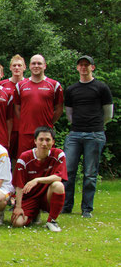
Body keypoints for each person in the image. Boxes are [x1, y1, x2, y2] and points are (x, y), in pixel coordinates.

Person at [62, 55, 113, 218]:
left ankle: (86, 209)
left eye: (87, 65)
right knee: (68, 171)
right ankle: (66, 206)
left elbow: (108, 114)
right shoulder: (71, 90)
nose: (83, 68)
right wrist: (78, 125)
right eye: (81, 65)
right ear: (77, 68)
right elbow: (68, 113)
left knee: (90, 173)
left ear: (93, 67)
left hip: (95, 134)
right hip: (75, 134)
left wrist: (95, 125)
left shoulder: (101, 87)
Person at [11, 127, 67, 232]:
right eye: (41, 140)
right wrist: (18, 207)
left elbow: (59, 177)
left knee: (58, 186)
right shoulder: (24, 158)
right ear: (35, 141)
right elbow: (19, 185)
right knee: (17, 223)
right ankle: (34, 213)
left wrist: (37, 180)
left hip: (46, 196)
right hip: (29, 197)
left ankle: (51, 221)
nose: (44, 143)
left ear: (53, 142)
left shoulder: (58, 154)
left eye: (48, 140)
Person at [14, 54, 63, 159]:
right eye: (33, 63)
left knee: (45, 163)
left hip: (45, 134)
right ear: (29, 66)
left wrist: (49, 122)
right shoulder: (20, 85)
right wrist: (25, 121)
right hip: (25, 133)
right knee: (24, 162)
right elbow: (17, 108)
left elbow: (59, 109)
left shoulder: (54, 85)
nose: (36, 66)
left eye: (39, 63)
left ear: (45, 66)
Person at [0, 55, 27, 161]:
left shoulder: (27, 84)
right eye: (14, 65)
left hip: (23, 128)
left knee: (20, 158)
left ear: (24, 67)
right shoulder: (2, 84)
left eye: (19, 65)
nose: (17, 68)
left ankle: (18, 178)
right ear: (10, 68)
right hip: (6, 128)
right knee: (5, 157)